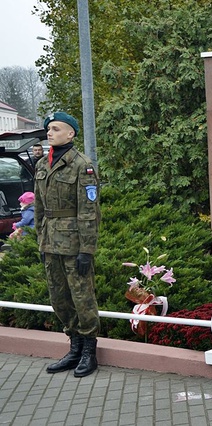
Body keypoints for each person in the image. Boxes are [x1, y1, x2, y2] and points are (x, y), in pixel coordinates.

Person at [35, 111, 101, 378]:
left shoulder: (82, 165)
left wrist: (87, 249)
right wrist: (41, 241)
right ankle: (74, 347)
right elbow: (39, 208)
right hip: (51, 242)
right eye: (49, 129)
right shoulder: (42, 164)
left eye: (56, 129)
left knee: (83, 298)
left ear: (71, 133)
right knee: (59, 299)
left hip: (74, 244)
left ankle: (89, 352)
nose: (50, 133)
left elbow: (89, 211)